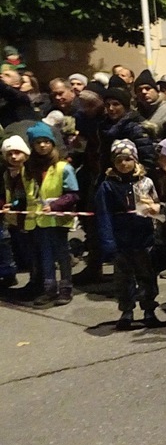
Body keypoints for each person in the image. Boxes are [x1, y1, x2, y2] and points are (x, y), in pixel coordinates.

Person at [94, 139, 165, 330]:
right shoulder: (108, 186)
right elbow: (103, 215)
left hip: (144, 238)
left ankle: (149, 310)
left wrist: (157, 230)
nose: (124, 164)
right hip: (121, 240)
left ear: (135, 160)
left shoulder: (145, 182)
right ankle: (127, 311)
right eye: (119, 161)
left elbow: (156, 208)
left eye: (127, 159)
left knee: (147, 276)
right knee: (123, 278)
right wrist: (108, 242)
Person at [24, 121, 79, 307]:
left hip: (57, 219)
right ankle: (49, 289)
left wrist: (55, 205)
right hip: (38, 220)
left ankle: (65, 289)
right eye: (37, 142)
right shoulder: (29, 168)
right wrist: (13, 205)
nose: (42, 145)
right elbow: (26, 193)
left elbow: (73, 194)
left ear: (52, 143)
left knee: (62, 254)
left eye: (46, 141)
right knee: (45, 255)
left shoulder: (64, 167)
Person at [1, 135, 33, 291]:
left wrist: (14, 205)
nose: (13, 156)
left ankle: (37, 282)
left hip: (31, 216)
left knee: (33, 251)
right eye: (9, 154)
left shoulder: (29, 172)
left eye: (17, 152)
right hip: (15, 218)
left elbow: (26, 195)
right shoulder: (8, 173)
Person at [133, 69, 166, 140]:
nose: (144, 92)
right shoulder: (134, 114)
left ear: (156, 91)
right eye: (139, 90)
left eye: (148, 88)